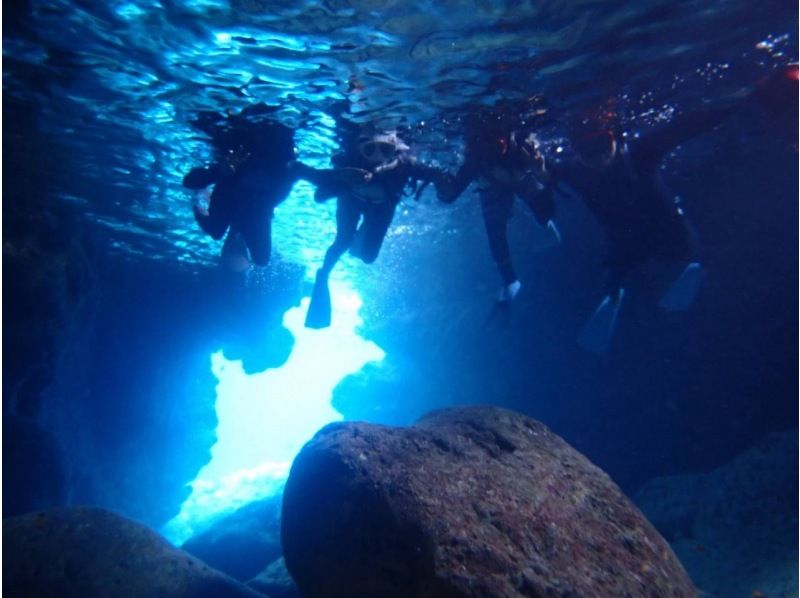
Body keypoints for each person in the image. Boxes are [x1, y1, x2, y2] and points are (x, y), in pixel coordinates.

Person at [550, 81, 785, 353]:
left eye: (603, 144)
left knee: (692, 254)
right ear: (575, 152)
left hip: (666, 231)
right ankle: (617, 291)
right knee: (614, 277)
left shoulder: (640, 154)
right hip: (625, 243)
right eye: (588, 151)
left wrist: (744, 97)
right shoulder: (573, 171)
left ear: (615, 137)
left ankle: (690, 265)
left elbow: (687, 126)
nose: (599, 157)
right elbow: (540, 176)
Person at [305, 128, 452, 329]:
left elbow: (433, 173)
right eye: (370, 150)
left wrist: (443, 179)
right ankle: (323, 276)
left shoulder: (404, 165)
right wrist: (340, 178)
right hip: (352, 202)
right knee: (343, 241)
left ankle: (360, 236)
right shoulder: (350, 162)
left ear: (395, 149)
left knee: (367, 257)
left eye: (385, 149)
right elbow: (320, 194)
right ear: (359, 149)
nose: (377, 156)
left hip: (381, 209)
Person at [438, 108, 559, 303]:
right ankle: (510, 280)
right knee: (495, 232)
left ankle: (544, 224)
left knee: (543, 211)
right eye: (484, 144)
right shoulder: (476, 160)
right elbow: (451, 195)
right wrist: (442, 186)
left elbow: (551, 180)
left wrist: (540, 170)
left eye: (496, 143)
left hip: (516, 177)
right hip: (493, 187)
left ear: (506, 138)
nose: (491, 150)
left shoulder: (521, 148)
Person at [183, 104, 320, 271]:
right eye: (240, 249)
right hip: (269, 160)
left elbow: (190, 184)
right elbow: (261, 258)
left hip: (244, 155)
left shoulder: (218, 225)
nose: (237, 242)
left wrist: (218, 172)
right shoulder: (248, 226)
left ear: (226, 247)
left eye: (231, 248)